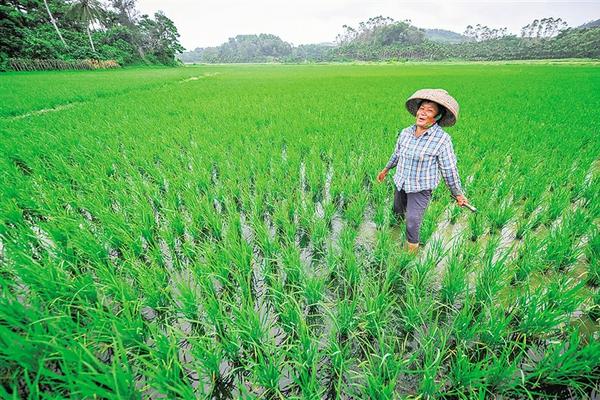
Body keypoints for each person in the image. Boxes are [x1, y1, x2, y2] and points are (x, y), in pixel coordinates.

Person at [376, 88, 468, 253]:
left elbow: (449, 170)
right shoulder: (406, 132)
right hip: (401, 182)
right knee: (397, 212)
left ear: (437, 117)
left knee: (412, 221)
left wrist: (458, 193)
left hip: (421, 188)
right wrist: (386, 169)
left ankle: (409, 257)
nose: (423, 113)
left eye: (430, 110)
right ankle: (393, 238)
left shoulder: (442, 140)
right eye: (422, 108)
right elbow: (396, 154)